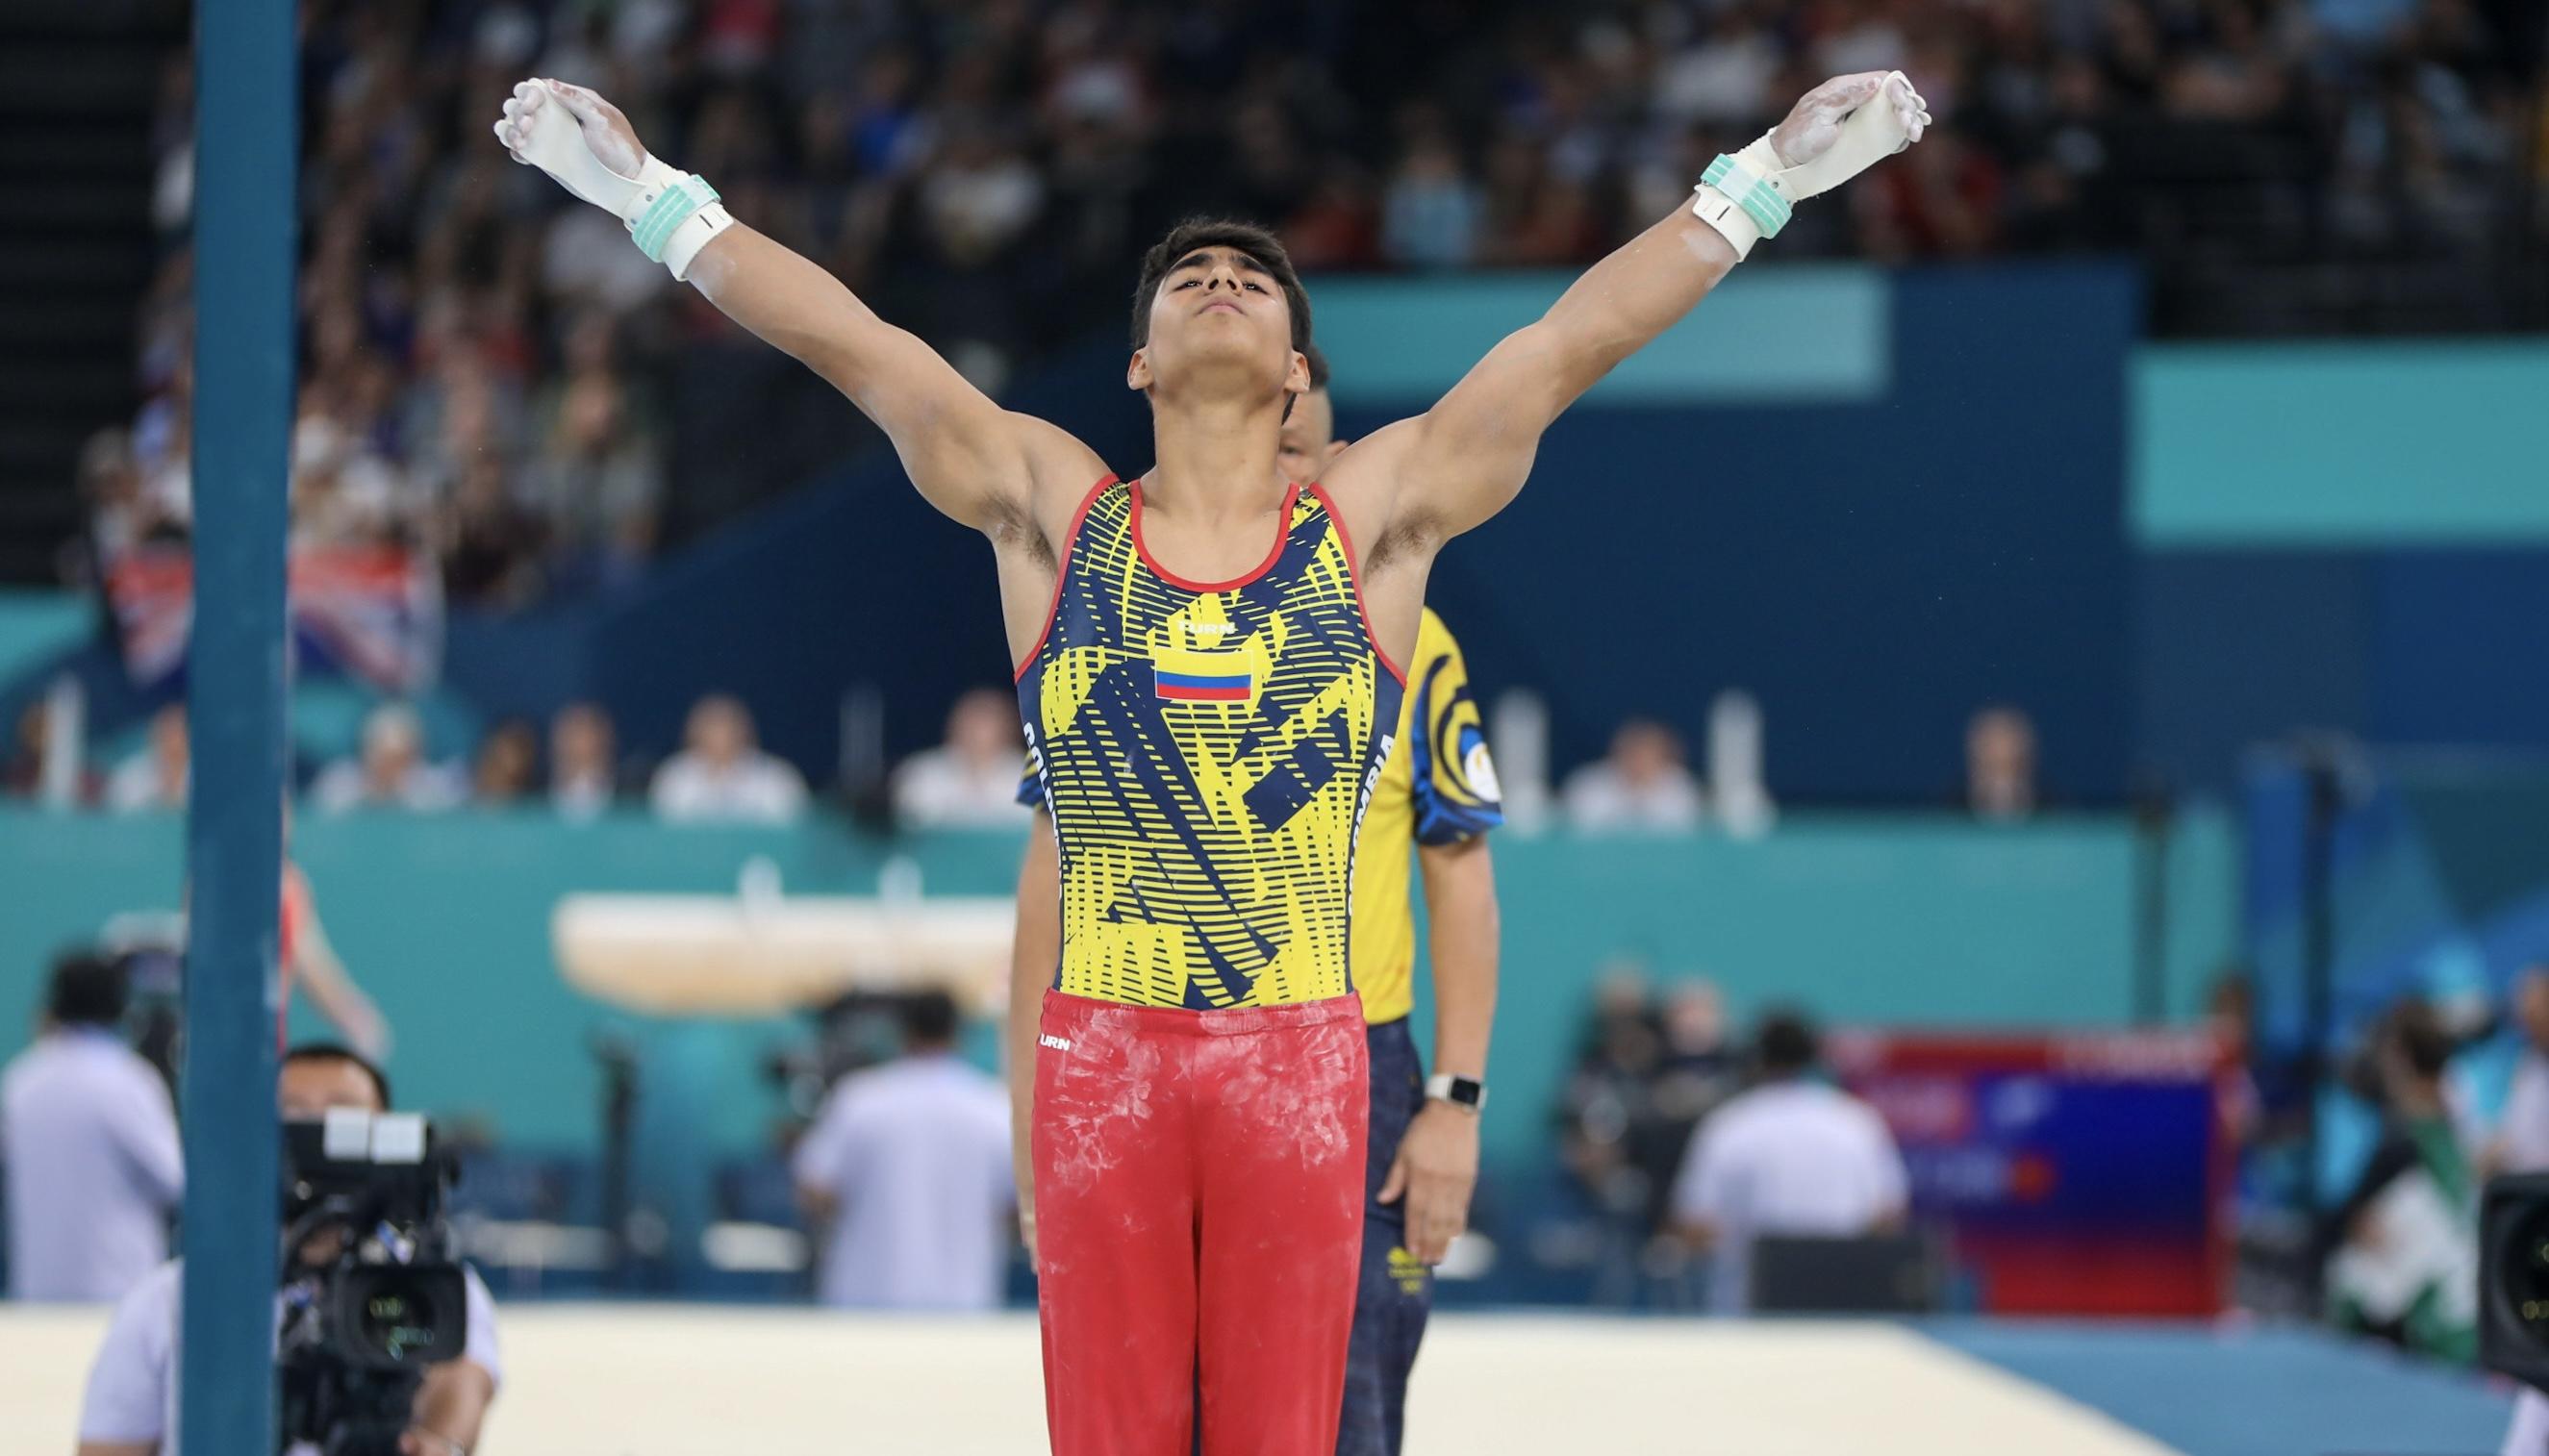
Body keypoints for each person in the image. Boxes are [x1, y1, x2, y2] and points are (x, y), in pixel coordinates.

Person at [497, 66, 1926, 1454]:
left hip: (1300, 1058)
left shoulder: (1373, 520)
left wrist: (1763, 182)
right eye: (1189, 278)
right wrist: (648, 197)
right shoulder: (1053, 511)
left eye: (1255, 278)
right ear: (1138, 361)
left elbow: (1568, 345)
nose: (1222, 279)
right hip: (1101, 1048)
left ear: (1301, 367)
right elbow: (858, 347)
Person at [1007, 341, 1505, 1456]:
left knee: (1341, 1421)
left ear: (1333, 459)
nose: (1259, 461)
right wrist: (1026, 1127)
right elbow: (1049, 885)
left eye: (1293, 445)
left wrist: (1452, 1099)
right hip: (1129, 1042)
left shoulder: (1409, 638)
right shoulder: (1116, 619)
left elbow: (1461, 871)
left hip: (1344, 1063)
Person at [75, 1043, 501, 1456]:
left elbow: (462, 1378)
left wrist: (440, 1441)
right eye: (293, 1112)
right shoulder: (171, 1297)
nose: (318, 1130)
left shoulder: (428, 1283)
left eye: (343, 1111)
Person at [1668, 1009, 1909, 1314]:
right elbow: (1888, 1215)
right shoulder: (1855, 1123)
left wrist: (1738, 1246)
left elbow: (1694, 1226)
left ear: (1757, 1060)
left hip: (1752, 1311)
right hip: (1840, 1308)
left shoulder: (1730, 1126)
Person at [792, 990, 1014, 1311]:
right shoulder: (992, 1108)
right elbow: (1021, 1206)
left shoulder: (860, 1101)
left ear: (903, 1032)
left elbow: (813, 1190)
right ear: (957, 1033)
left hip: (867, 1296)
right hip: (962, 1302)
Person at [2, 953, 182, 1302]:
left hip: (36, 1295)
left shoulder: (20, 1081)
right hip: (116, 1291)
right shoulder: (128, 1080)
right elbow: (174, 1179)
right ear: (120, 1006)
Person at [2326, 998, 2475, 1364]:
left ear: (2400, 1059)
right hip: (2456, 1306)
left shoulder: (2407, 1141)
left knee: (2349, 1283)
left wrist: (2356, 1224)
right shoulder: (2455, 1124)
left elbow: (2349, 1224)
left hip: (2435, 1313)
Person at [648, 693, 807, 824]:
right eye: (710, 727)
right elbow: (666, 834)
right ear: (693, 734)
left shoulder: (776, 777)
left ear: (744, 732)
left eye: (727, 726)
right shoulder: (674, 776)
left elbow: (792, 832)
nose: (720, 736)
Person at [892, 688, 1032, 829]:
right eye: (972, 722)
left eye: (987, 723)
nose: (977, 733)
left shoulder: (1030, 777)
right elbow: (912, 827)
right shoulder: (921, 773)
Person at [310, 703, 466, 815]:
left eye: (399, 759)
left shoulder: (433, 786)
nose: (390, 768)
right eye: (383, 759)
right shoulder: (338, 780)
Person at [1561, 717, 1705, 832]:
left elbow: (1681, 824)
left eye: (1647, 754)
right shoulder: (1587, 782)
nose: (1639, 761)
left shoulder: (1682, 785)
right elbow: (1582, 821)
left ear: (1663, 755)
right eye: (1633, 752)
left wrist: (1642, 792)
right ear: (1618, 751)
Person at [105, 705, 189, 815]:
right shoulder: (130, 773)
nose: (171, 741)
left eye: (178, 733)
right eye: (166, 732)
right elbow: (116, 817)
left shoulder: (206, 774)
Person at [1965, 705, 2039, 821]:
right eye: (1989, 744)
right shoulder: (1945, 814)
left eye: (2011, 744)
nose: (2001, 752)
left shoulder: (2057, 813)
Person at [548, 701, 620, 818]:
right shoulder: (531, 793)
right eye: (574, 733)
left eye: (591, 733)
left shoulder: (632, 790)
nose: (584, 743)